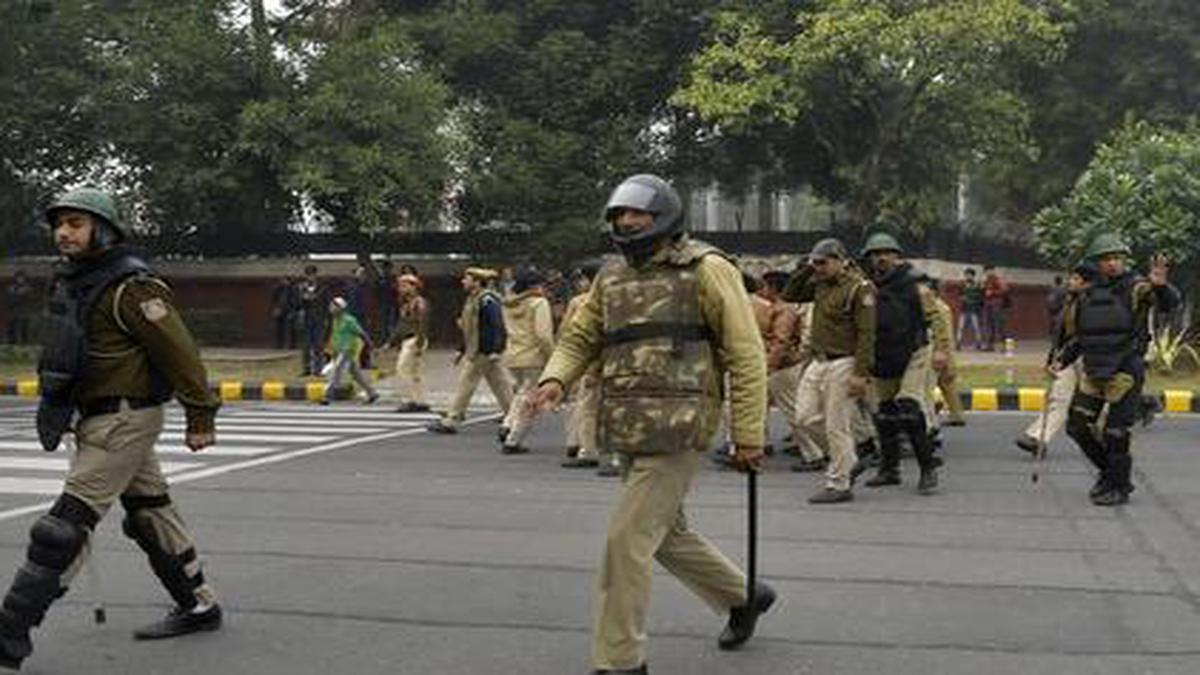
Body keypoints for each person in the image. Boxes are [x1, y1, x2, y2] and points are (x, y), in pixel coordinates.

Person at [528, 174, 774, 675]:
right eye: (619, 216)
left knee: (626, 541)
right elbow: (580, 337)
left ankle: (620, 661)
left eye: (637, 215)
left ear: (664, 217)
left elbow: (746, 354)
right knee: (663, 534)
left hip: (683, 424)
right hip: (629, 421)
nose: (626, 222)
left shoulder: (707, 269)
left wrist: (748, 433)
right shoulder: (611, 277)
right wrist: (555, 379)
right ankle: (742, 595)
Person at [0, 188, 223, 670]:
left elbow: (180, 353)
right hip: (100, 417)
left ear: (104, 229)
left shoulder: (131, 287)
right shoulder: (79, 282)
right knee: (150, 511)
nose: (63, 232)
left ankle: (9, 630)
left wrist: (200, 415)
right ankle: (198, 603)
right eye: (59, 224)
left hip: (124, 419)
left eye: (76, 223)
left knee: (62, 528)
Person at [1054, 234, 1179, 506]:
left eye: (1116, 258)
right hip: (1094, 369)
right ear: (1096, 263)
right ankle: (1109, 473)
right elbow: (1080, 336)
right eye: (1105, 259)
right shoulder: (1086, 293)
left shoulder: (1138, 288)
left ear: (1124, 260)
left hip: (1125, 369)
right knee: (1077, 427)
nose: (1112, 264)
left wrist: (1161, 287)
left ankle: (1118, 485)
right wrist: (1061, 360)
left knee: (1116, 432)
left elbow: (1169, 304)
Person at [782, 238, 877, 504]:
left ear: (840, 261)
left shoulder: (860, 288)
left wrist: (861, 372)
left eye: (823, 262)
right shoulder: (820, 283)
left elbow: (867, 334)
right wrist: (808, 268)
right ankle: (847, 459)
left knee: (836, 424)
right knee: (804, 417)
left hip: (844, 361)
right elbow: (789, 294)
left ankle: (839, 483)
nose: (819, 268)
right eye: (816, 262)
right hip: (818, 360)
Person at [857, 233, 944, 495]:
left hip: (914, 351)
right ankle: (889, 469)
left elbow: (935, 317)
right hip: (883, 354)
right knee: (884, 413)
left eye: (887, 252)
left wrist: (941, 350)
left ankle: (928, 469)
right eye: (875, 253)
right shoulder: (866, 286)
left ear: (897, 255)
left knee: (908, 408)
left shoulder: (914, 283)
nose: (881, 258)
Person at [1016, 264, 1094, 454]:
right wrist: (1053, 359)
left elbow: (1085, 334)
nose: (1071, 283)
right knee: (1059, 398)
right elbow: (1060, 334)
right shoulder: (1068, 301)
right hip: (1066, 357)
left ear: (1087, 283)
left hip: (1088, 358)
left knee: (1095, 404)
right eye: (1072, 278)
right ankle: (1037, 438)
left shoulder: (1094, 304)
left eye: (1076, 279)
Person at [427, 267, 514, 434]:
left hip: (484, 350)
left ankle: (453, 419)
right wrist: (462, 349)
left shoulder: (487, 300)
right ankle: (514, 415)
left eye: (467, 279)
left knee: (467, 382)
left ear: (476, 282)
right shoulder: (473, 299)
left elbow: (496, 325)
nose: (463, 281)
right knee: (500, 383)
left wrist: (496, 348)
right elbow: (470, 329)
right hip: (480, 349)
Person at [558, 270, 613, 474]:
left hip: (596, 362)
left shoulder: (581, 303)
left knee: (588, 407)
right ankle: (616, 455)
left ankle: (587, 451)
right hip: (619, 361)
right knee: (614, 408)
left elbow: (569, 333)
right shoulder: (623, 297)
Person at [497, 267, 555, 454]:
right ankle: (514, 439)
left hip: (513, 353)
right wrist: (551, 356)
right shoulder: (539, 304)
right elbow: (543, 335)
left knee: (521, 392)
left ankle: (507, 424)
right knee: (531, 399)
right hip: (533, 355)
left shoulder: (508, 304)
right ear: (536, 285)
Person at [321, 296, 379, 405]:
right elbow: (334, 335)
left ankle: (328, 396)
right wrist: (330, 347)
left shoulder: (349, 320)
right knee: (356, 375)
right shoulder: (335, 320)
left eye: (334, 306)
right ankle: (372, 393)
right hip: (339, 350)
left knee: (336, 370)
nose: (331, 308)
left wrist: (371, 346)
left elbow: (361, 333)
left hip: (347, 349)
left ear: (340, 308)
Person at [926, 278, 965, 427]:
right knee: (947, 385)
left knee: (931, 385)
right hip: (945, 350)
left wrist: (942, 351)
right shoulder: (943, 306)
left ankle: (933, 412)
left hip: (938, 350)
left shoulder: (935, 307)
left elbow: (943, 333)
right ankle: (956, 414)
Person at [389, 273, 430, 412]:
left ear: (414, 287)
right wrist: (391, 341)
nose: (401, 288)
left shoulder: (419, 302)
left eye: (404, 285)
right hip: (409, 339)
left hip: (415, 339)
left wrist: (419, 342)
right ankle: (420, 400)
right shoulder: (406, 303)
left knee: (403, 369)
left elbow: (423, 323)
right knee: (414, 372)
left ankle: (410, 400)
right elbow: (401, 325)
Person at [297, 264, 326, 376]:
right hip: (306, 320)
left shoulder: (322, 287)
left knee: (319, 346)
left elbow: (326, 303)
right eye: (308, 275)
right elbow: (296, 304)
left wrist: (326, 318)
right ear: (305, 276)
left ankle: (318, 370)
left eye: (313, 274)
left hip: (319, 320)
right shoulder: (300, 287)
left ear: (316, 275)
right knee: (306, 347)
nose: (311, 277)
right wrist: (303, 297)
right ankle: (306, 369)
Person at [3, 271, 38, 345]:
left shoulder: (28, 288)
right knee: (11, 332)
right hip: (12, 313)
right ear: (15, 278)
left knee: (24, 331)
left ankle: (24, 346)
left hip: (24, 313)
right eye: (19, 278)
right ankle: (11, 346)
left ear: (25, 279)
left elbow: (33, 299)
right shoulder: (10, 288)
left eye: (22, 278)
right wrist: (18, 295)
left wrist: (26, 293)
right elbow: (7, 300)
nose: (20, 280)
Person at [981, 264, 1010, 351]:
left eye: (988, 271)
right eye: (986, 271)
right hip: (988, 305)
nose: (987, 273)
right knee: (989, 325)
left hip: (997, 305)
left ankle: (1005, 345)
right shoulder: (986, 280)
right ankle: (990, 345)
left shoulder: (997, 279)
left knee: (1000, 325)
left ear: (992, 270)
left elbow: (1004, 289)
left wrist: (993, 292)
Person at [956, 267, 984, 350]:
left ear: (973, 276)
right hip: (964, 308)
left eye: (969, 275)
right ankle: (958, 343)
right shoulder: (962, 284)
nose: (968, 276)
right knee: (961, 327)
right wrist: (962, 298)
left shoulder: (977, 285)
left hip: (974, 309)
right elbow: (959, 295)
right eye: (966, 275)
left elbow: (980, 297)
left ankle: (978, 343)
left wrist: (970, 298)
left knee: (976, 327)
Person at [270, 275, 297, 350]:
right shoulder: (279, 289)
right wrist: (275, 308)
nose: (283, 282)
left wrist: (293, 311)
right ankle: (279, 344)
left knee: (290, 328)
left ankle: (292, 344)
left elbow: (295, 301)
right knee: (278, 328)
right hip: (280, 309)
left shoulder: (293, 289)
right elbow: (274, 299)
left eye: (285, 280)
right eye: (282, 280)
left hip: (289, 310)